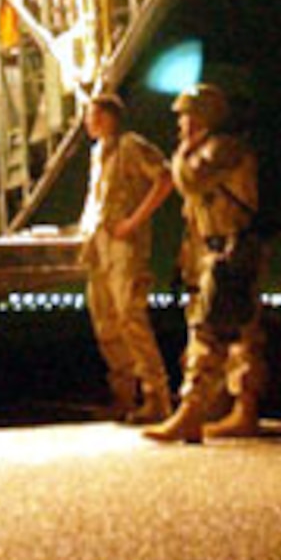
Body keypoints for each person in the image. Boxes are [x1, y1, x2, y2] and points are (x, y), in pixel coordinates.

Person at [145, 82, 267, 444]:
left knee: (206, 329)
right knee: (243, 334)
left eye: (187, 116)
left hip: (229, 250)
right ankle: (244, 409)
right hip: (225, 249)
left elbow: (189, 179)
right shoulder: (221, 147)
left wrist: (184, 151)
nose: (181, 124)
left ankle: (191, 411)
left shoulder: (221, 149)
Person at [78, 91, 174, 423]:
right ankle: (124, 395)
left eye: (93, 115)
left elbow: (165, 177)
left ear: (108, 117)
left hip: (124, 247)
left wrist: (134, 220)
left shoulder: (129, 145)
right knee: (105, 320)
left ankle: (156, 395)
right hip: (100, 245)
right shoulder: (97, 153)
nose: (88, 121)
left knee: (130, 318)